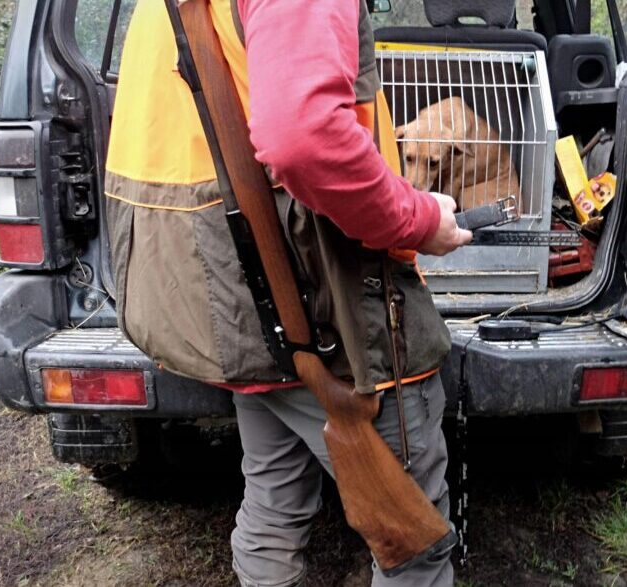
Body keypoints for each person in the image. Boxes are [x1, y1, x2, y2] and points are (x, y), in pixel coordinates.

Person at [104, 0, 471, 585]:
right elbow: (304, 140)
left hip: (239, 300)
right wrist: (420, 219)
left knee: (274, 502)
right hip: (323, 308)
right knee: (412, 539)